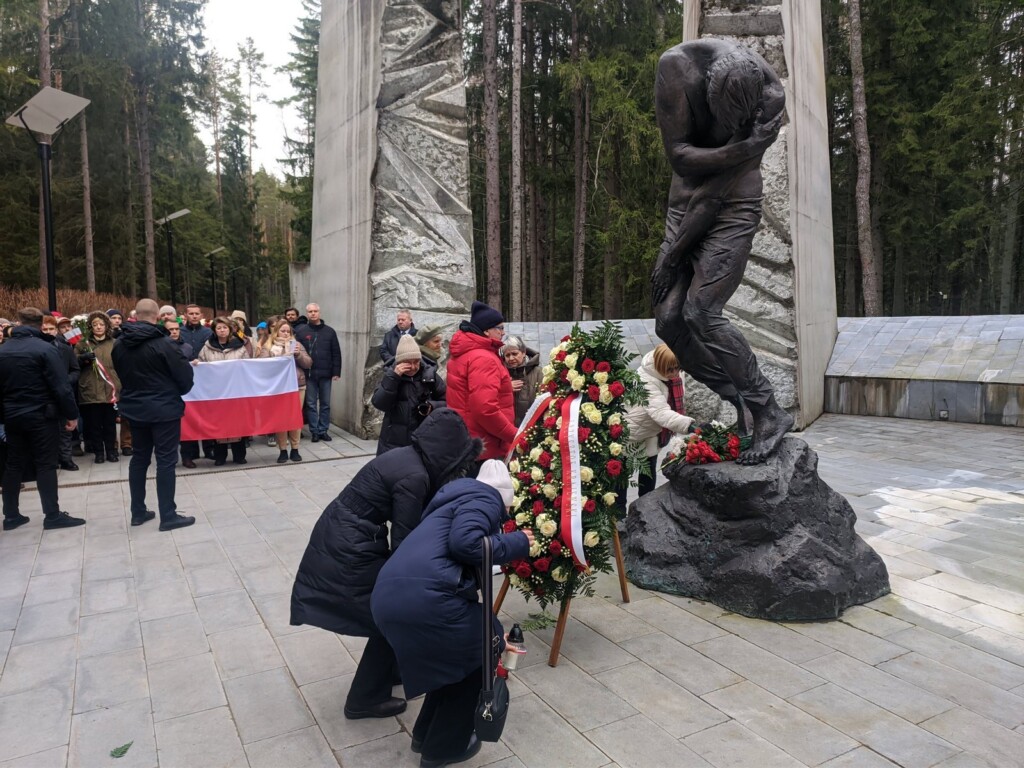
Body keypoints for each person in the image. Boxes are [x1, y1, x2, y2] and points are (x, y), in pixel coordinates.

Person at [651, 38, 793, 464]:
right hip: (683, 201)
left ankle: (768, 410)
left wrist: (674, 254)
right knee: (668, 321)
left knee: (701, 310)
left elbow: (715, 191)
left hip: (734, 203)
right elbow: (680, 157)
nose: (731, 129)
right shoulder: (676, 70)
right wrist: (746, 147)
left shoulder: (771, 97)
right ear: (709, 92)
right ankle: (741, 401)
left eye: (740, 124)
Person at [290, 408, 482, 722]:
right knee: (391, 616)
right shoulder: (416, 476)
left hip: (347, 533)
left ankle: (390, 672)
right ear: (449, 456)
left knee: (391, 613)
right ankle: (364, 699)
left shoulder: (410, 456)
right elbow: (406, 544)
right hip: (350, 545)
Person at [371, 459, 532, 767]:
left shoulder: (448, 504)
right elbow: (466, 544)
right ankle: (443, 749)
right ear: (504, 498)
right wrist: (517, 541)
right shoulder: (484, 498)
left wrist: (495, 636)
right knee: (475, 656)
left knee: (457, 655)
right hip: (423, 601)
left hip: (392, 597)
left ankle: (425, 736)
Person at [113, 299, 196, 531]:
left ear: (135, 315)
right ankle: (168, 515)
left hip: (136, 408)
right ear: (158, 316)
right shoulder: (164, 344)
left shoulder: (119, 344)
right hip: (163, 409)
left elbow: (122, 374)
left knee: (139, 458)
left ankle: (138, 511)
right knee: (166, 461)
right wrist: (171, 392)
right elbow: (185, 378)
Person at [0, 307, 84, 531]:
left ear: (18, 322)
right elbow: (61, 386)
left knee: (13, 464)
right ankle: (52, 515)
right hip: (41, 414)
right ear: (40, 324)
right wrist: (71, 415)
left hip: (12, 415)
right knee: (46, 464)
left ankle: (10, 515)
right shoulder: (45, 349)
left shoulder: (4, 349)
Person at [446, 300, 516, 462]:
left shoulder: (465, 353)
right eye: (500, 328)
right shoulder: (483, 358)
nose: (503, 333)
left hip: (467, 441)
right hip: (486, 446)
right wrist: (512, 434)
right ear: (486, 331)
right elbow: (485, 409)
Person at [624, 344, 694, 498]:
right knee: (622, 480)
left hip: (653, 432)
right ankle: (619, 517)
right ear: (660, 365)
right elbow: (660, 412)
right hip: (632, 433)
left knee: (648, 476)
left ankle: (644, 512)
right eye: (670, 370)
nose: (675, 373)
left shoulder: (672, 373)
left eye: (678, 368)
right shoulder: (644, 378)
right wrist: (690, 426)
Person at [371, 335, 446, 455]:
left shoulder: (429, 374)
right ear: (399, 362)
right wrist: (394, 378)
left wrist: (431, 406)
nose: (412, 367)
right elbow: (379, 403)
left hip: (423, 438)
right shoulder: (390, 375)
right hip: (394, 440)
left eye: (416, 362)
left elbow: (447, 400)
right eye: (407, 363)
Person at [196, 316, 254, 464]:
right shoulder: (207, 347)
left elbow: (247, 367)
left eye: (225, 328)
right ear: (214, 331)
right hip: (216, 393)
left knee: (237, 423)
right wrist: (197, 364)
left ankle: (239, 455)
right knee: (218, 423)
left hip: (236, 391)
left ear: (230, 329)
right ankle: (220, 456)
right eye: (219, 328)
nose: (222, 331)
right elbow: (202, 365)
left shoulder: (240, 346)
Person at [259, 319, 312, 463]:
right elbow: (262, 365)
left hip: (297, 385)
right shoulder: (268, 346)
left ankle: (295, 448)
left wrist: (298, 355)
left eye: (288, 331)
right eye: (282, 331)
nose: (285, 333)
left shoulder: (297, 345)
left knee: (295, 417)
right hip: (278, 388)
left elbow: (308, 363)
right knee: (281, 418)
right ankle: (282, 449)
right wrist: (280, 356)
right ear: (276, 331)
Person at [293, 303, 342, 442]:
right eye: (310, 311)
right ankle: (314, 430)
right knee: (311, 403)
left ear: (319, 312)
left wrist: (336, 371)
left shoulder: (330, 331)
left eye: (315, 311)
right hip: (309, 374)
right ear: (307, 313)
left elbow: (336, 353)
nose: (313, 313)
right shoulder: (301, 332)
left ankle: (323, 430)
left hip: (326, 373)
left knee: (325, 403)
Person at [77, 311, 120, 464]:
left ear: (107, 326)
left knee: (109, 423)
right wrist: (82, 359)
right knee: (94, 424)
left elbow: (120, 364)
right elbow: (73, 364)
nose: (98, 327)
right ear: (90, 326)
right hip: (90, 388)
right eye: (95, 324)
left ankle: (111, 451)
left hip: (110, 388)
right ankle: (98, 453)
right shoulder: (82, 344)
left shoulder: (114, 343)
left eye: (101, 324)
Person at [41, 315, 81, 471]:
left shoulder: (65, 348)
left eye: (51, 329)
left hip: (63, 393)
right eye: (45, 329)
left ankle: (66, 458)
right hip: (44, 395)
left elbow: (75, 369)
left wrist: (65, 380)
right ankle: (51, 460)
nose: (48, 332)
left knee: (66, 428)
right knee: (47, 430)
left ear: (56, 330)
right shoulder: (37, 348)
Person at [179, 304, 213, 467]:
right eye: (190, 313)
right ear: (185, 315)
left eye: (196, 313)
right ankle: (189, 454)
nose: (193, 316)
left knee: (207, 412)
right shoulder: (179, 332)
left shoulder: (208, 332)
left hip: (206, 379)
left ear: (201, 315)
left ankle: (209, 449)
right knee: (188, 415)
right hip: (186, 378)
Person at [500, 335, 543, 426]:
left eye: (514, 354)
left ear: (523, 353)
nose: (511, 358)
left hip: (532, 428)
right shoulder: (500, 374)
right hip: (508, 429)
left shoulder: (538, 372)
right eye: (507, 355)